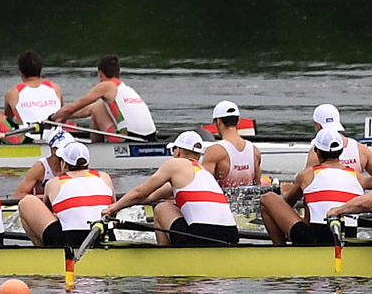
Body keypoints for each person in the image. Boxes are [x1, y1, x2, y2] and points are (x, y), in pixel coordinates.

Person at [100, 131, 241, 247]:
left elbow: (139, 193)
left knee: (161, 208)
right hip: (231, 235)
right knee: (171, 205)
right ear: (198, 155)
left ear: (178, 151)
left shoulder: (176, 165)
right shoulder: (204, 173)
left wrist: (112, 209)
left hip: (202, 234)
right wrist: (120, 206)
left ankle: (166, 261)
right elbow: (147, 198)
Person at [258, 129, 363, 247]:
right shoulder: (357, 177)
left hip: (314, 238)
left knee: (267, 199)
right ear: (341, 151)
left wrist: (285, 191)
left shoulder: (307, 175)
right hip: (348, 236)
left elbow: (288, 203)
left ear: (317, 152)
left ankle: (280, 249)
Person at [17, 139, 115, 248]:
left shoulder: (54, 183)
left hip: (70, 241)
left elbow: (50, 212)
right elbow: (113, 209)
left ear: (64, 164)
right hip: (106, 235)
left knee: (26, 202)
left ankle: (43, 252)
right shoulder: (105, 177)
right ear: (88, 163)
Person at [56, 56, 158, 139]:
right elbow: (87, 109)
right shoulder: (127, 89)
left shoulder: (106, 86)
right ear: (119, 73)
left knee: (97, 109)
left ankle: (95, 151)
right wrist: (64, 116)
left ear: (100, 74)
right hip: (151, 137)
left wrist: (51, 117)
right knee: (99, 106)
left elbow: (75, 106)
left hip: (130, 138)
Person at [0, 52, 63, 141]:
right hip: (57, 136)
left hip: (27, 138)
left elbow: (7, 121)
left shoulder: (13, 93)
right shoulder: (55, 88)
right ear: (40, 70)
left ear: (21, 73)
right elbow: (63, 115)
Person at [310, 103, 372, 185]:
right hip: (355, 197)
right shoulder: (361, 150)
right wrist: (361, 183)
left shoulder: (317, 152)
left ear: (318, 125)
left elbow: (306, 183)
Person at [201, 101, 259, 188]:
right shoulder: (254, 151)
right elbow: (258, 186)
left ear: (218, 122)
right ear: (238, 121)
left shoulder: (215, 151)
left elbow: (204, 186)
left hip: (222, 200)